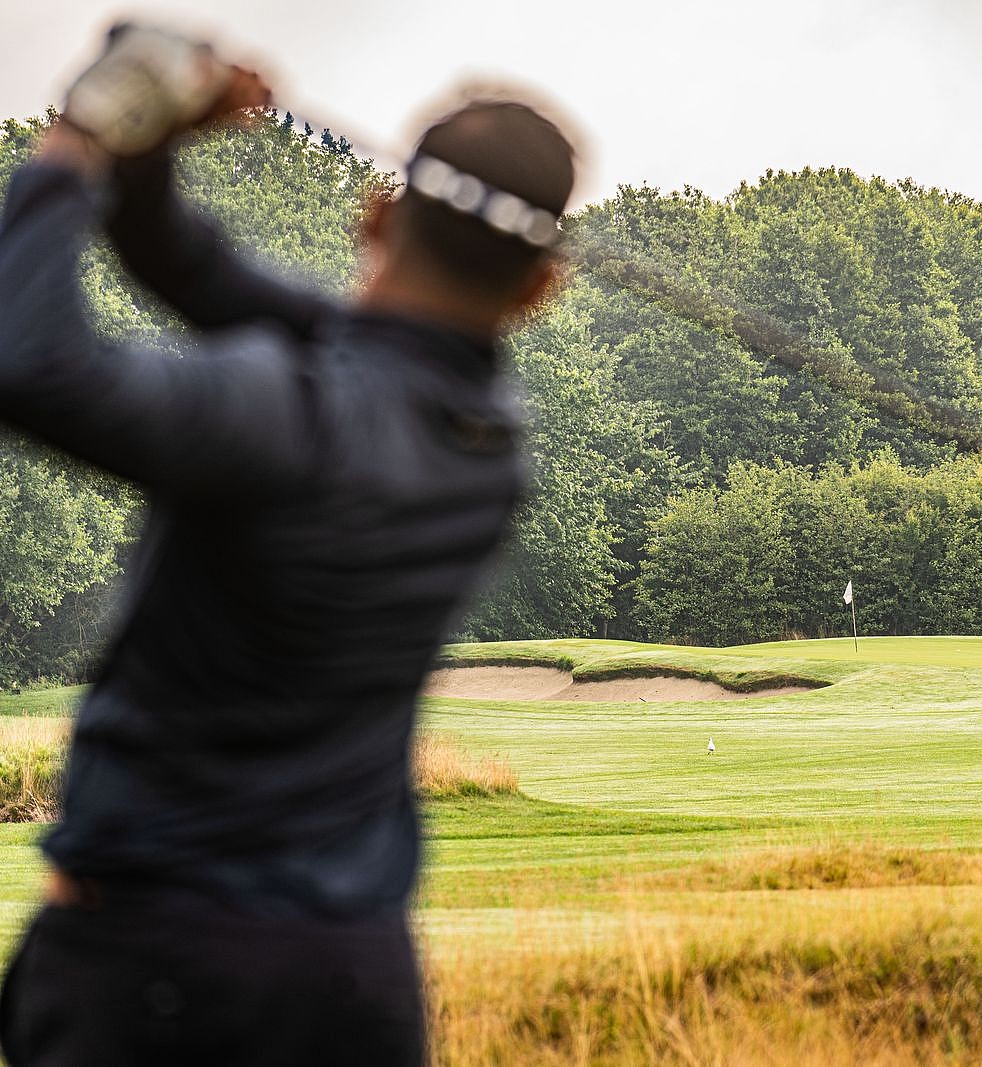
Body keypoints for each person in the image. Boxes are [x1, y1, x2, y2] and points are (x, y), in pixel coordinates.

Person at [0, 25, 575, 1066]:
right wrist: (147, 153)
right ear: (538, 289)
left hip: (160, 978)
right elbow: (196, 272)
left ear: (377, 213)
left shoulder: (292, 409)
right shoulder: (490, 445)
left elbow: (30, 358)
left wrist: (84, 132)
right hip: (351, 981)